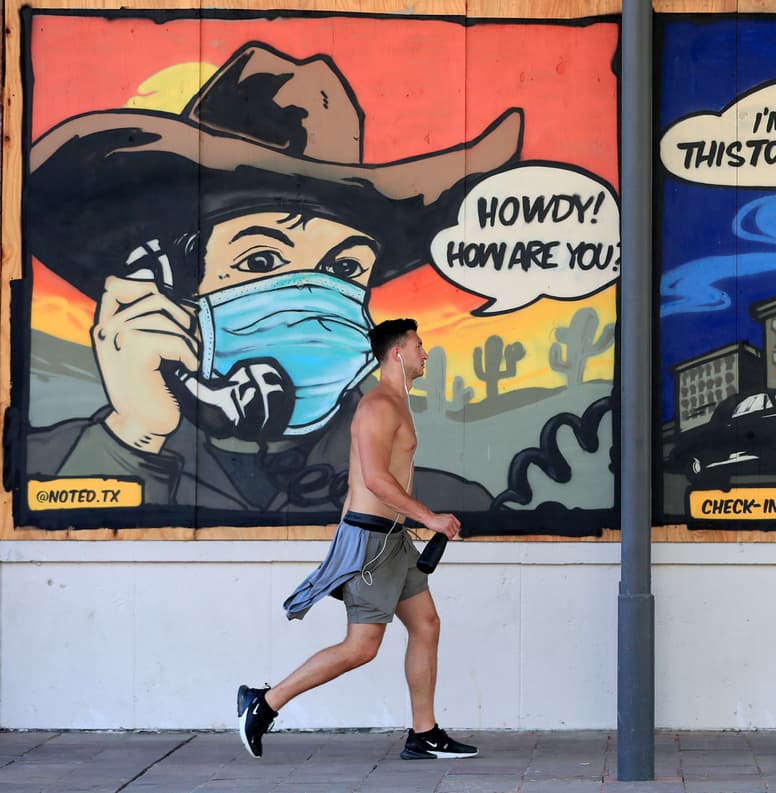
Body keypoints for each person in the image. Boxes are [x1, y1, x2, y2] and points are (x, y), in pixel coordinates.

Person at [23, 41, 519, 519]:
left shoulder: (444, 499)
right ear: (165, 283)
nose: (312, 296)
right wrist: (133, 439)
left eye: (343, 268)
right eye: (261, 260)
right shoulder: (50, 466)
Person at [237, 318, 475, 760]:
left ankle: (424, 733)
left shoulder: (397, 404)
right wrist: (431, 519)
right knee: (361, 647)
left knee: (426, 625)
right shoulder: (379, 405)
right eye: (419, 345)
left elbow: (358, 488)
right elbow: (375, 480)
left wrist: (407, 527)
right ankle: (264, 703)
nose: (427, 353)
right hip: (373, 546)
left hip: (391, 540)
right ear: (397, 354)